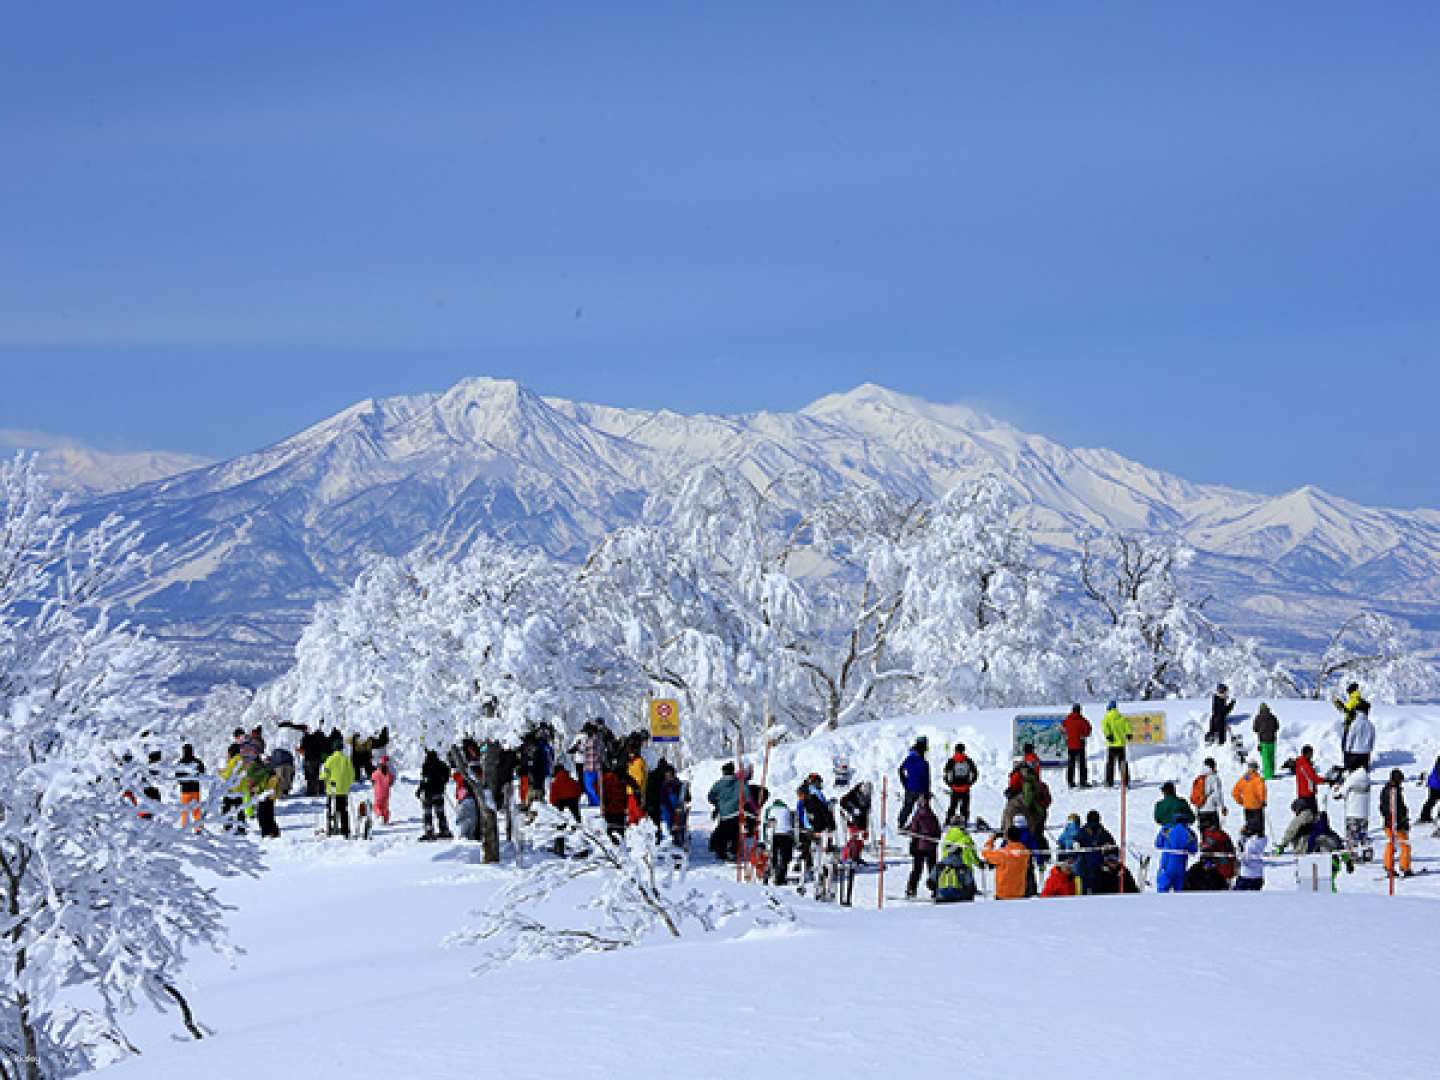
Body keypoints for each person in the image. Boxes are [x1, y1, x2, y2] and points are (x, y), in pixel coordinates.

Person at [905, 793, 941, 900]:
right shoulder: (930, 815)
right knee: (928, 869)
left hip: (923, 847)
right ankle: (935, 890)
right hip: (926, 847)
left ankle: (912, 889)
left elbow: (914, 829)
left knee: (920, 870)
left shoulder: (922, 815)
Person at [1379, 769, 1413, 877]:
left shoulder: (1385, 790)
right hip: (1396, 824)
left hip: (1389, 823)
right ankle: (1405, 867)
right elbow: (1397, 809)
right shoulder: (1394, 792)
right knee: (1405, 845)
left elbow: (1382, 807)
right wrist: (1402, 821)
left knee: (1391, 844)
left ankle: (1388, 866)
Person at [934, 823, 981, 903]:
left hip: (946, 865)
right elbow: (972, 854)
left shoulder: (948, 836)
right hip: (962, 865)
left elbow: (930, 882)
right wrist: (979, 863)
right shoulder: (966, 838)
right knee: (966, 882)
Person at [982, 827, 1031, 901]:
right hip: (1019, 893)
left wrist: (992, 839)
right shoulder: (1025, 853)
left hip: (1003, 893)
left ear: (1007, 837)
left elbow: (985, 852)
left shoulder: (1002, 854)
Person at [1075, 810, 1118, 894]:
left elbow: (1114, 850)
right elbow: (1073, 848)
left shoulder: (1104, 833)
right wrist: (1075, 845)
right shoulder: (1082, 832)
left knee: (1097, 893)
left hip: (1099, 870)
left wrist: (1108, 850)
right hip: (1084, 869)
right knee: (1083, 893)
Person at [320, 741, 356, 838]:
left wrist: (323, 779)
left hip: (332, 789)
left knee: (330, 809)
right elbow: (352, 775)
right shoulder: (346, 760)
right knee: (343, 810)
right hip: (343, 790)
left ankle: (330, 828)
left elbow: (325, 774)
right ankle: (345, 830)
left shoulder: (330, 759)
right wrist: (347, 784)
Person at [708, 763, 742, 862]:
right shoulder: (738, 783)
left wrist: (718, 804)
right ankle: (733, 852)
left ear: (723, 772)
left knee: (723, 832)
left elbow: (710, 796)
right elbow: (746, 795)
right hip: (736, 813)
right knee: (735, 833)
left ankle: (721, 851)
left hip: (723, 813)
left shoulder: (718, 784)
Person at [1155, 817, 1197, 893]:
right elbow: (1193, 850)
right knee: (1179, 893)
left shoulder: (1166, 829)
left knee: (1162, 891)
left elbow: (1158, 844)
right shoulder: (1190, 833)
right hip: (1181, 867)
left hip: (1166, 865)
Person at [897, 736, 931, 829]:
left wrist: (905, 783)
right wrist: (927, 792)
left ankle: (901, 824)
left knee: (907, 807)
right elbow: (927, 779)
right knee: (923, 809)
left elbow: (900, 770)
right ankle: (920, 826)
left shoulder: (909, 758)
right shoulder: (924, 762)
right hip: (921, 790)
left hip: (910, 788)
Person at [418, 749, 452, 841]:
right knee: (440, 812)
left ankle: (429, 831)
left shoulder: (426, 765)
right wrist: (442, 783)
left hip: (428, 793)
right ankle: (444, 830)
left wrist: (420, 790)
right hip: (439, 792)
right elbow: (447, 775)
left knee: (428, 813)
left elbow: (424, 780)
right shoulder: (442, 764)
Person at [942, 743, 979, 825]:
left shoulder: (951, 760)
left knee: (952, 806)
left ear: (955, 750)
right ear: (963, 750)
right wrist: (970, 784)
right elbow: (975, 774)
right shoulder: (968, 761)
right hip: (965, 788)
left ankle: (948, 822)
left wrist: (950, 785)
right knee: (965, 807)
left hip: (955, 789)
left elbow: (945, 774)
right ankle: (964, 822)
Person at [1341, 766, 1372, 860]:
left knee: (1351, 836)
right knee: (1363, 835)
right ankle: (1367, 854)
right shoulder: (1366, 778)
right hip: (1364, 813)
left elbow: (1340, 793)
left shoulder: (1352, 779)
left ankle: (1351, 857)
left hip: (1352, 811)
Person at [764, 797, 797, 886]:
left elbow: (765, 824)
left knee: (774, 855)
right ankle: (781, 877)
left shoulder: (769, 809)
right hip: (786, 835)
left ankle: (773, 873)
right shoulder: (787, 810)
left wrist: (764, 838)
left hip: (774, 835)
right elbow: (793, 824)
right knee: (785, 857)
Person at [1232, 760, 1267, 835]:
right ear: (1256, 769)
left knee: (1250, 828)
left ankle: (1248, 843)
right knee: (1258, 831)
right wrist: (1263, 801)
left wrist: (1241, 801)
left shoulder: (1244, 779)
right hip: (1257, 808)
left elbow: (1235, 792)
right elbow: (1262, 792)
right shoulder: (1259, 779)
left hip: (1247, 808)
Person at [1191, 757, 1227, 831]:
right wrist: (1222, 807)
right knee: (1215, 834)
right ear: (1213, 766)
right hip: (1211, 811)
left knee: (1204, 834)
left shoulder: (1199, 778)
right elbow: (1218, 794)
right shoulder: (1214, 778)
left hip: (1200, 811)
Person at [1062, 704, 1092, 788]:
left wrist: (1068, 737)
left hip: (1070, 745)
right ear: (1079, 710)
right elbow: (1088, 730)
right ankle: (1083, 782)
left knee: (1071, 764)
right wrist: (1083, 734)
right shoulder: (1082, 720)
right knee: (1082, 764)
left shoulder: (1067, 720)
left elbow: (1062, 730)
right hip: (1080, 744)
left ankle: (1070, 782)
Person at [1102, 701, 1130, 788]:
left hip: (1112, 745)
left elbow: (1104, 727)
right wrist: (1128, 734)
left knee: (1110, 764)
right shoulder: (1121, 717)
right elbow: (1128, 727)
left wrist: (1108, 735)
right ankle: (1125, 782)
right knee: (1122, 763)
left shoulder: (1107, 717)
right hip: (1121, 744)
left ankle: (1109, 782)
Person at [176, 743, 205, 828]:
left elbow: (177, 776)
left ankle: (184, 828)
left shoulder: (180, 762)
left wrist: (182, 782)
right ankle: (199, 828)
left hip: (185, 791)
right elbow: (202, 772)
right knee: (196, 810)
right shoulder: (197, 762)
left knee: (184, 811)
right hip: (195, 789)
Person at [1342, 704, 1375, 772]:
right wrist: (1369, 750)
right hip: (1365, 754)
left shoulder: (1355, 723)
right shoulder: (1370, 725)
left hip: (1354, 753)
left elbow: (1350, 738)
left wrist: (1347, 750)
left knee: (1352, 772)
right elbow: (1372, 740)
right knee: (1362, 772)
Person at [299, 726, 330, 797]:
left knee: (310, 776)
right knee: (316, 774)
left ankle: (311, 791)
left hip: (309, 759)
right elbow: (323, 746)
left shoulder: (306, 737)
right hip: (317, 759)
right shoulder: (319, 736)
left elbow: (302, 749)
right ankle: (319, 790)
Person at [601, 767, 630, 841]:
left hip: (610, 809)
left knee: (611, 830)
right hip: (618, 809)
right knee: (619, 831)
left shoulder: (605, 777)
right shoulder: (621, 777)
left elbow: (600, 790)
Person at [1252, 703, 1280, 780]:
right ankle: (1272, 772)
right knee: (1271, 757)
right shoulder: (1272, 717)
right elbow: (1277, 727)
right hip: (1272, 740)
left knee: (1266, 758)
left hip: (1263, 741)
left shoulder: (1258, 718)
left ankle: (1268, 775)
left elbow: (1255, 729)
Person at [1235, 824, 1266, 891]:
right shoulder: (1243, 841)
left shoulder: (1255, 841)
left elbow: (1249, 851)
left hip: (1248, 876)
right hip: (1249, 875)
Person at [1294, 745, 1323, 814]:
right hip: (1307, 794)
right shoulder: (1305, 765)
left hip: (1302, 793)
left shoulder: (1300, 763)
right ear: (1307, 754)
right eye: (1311, 754)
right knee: (1311, 815)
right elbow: (1313, 778)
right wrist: (1326, 780)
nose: (1312, 756)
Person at [370, 752, 396, 826]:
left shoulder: (376, 773)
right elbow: (391, 782)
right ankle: (386, 819)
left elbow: (372, 780)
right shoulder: (389, 774)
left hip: (378, 793)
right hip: (386, 793)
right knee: (385, 807)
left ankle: (380, 814)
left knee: (376, 806)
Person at [1420, 755, 1440, 825]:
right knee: (1432, 800)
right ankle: (1425, 817)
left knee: (1431, 801)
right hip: (1436, 784)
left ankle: (1425, 816)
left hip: (1434, 783)